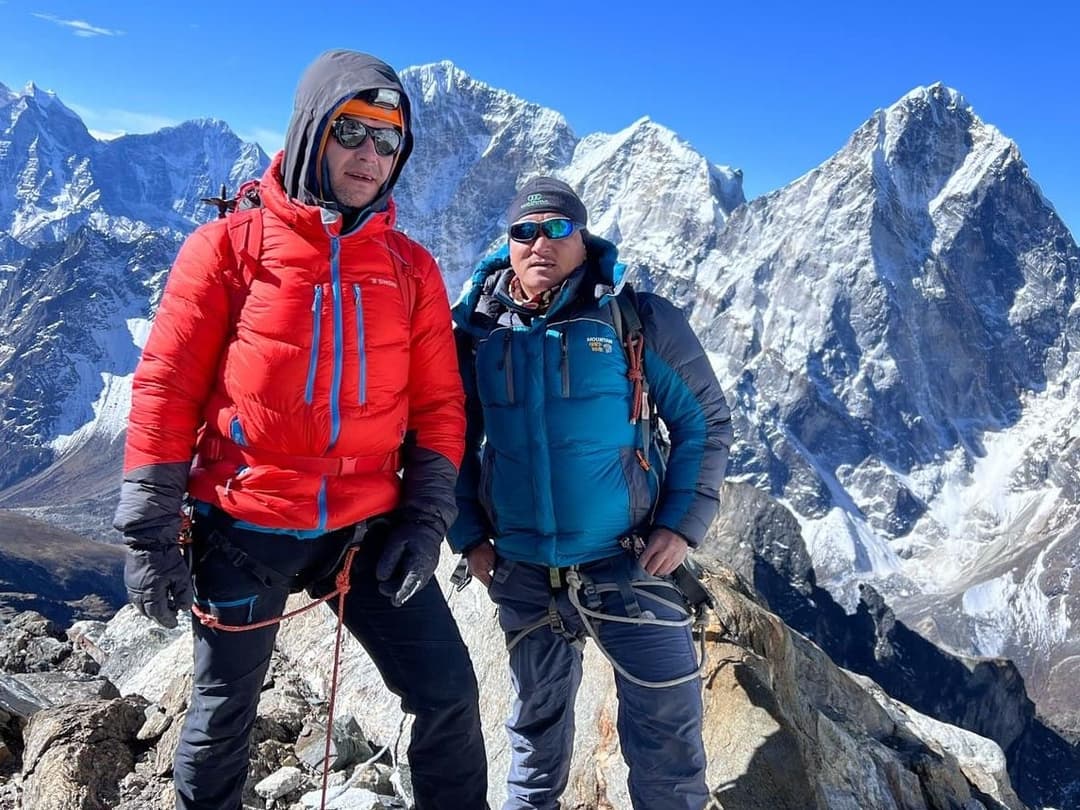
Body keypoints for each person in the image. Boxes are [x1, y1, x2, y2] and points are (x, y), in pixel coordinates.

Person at [113, 49, 487, 810]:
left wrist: (423, 517)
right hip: (244, 529)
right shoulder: (229, 250)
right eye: (354, 130)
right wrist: (149, 530)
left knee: (448, 695)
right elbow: (166, 388)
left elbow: (442, 408)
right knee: (224, 722)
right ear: (314, 130)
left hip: (369, 531)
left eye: (389, 141)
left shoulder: (411, 268)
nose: (371, 155)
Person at [449, 177, 733, 810]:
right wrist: (468, 536)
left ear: (583, 238)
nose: (540, 243)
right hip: (522, 567)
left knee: (667, 738)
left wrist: (681, 526)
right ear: (509, 243)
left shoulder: (636, 317)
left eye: (557, 229)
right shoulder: (478, 332)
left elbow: (704, 422)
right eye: (525, 231)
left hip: (628, 560)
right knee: (534, 731)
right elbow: (448, 440)